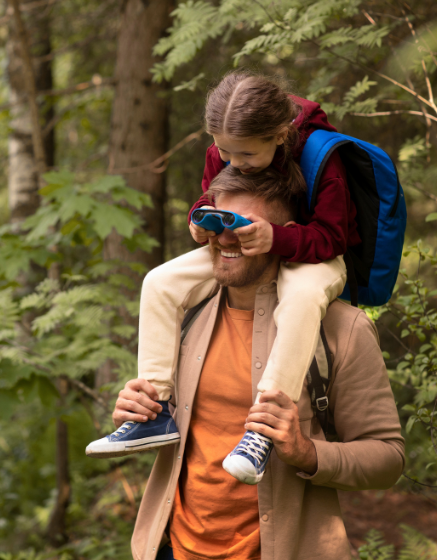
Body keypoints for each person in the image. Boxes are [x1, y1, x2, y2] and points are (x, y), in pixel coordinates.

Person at [86, 71, 359, 486]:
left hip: (309, 252)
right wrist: (201, 219)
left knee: (302, 297)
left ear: (280, 135)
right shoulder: (228, 150)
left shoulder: (321, 153)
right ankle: (155, 412)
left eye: (246, 155)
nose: (233, 163)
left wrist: (277, 237)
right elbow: (211, 192)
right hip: (243, 245)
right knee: (159, 282)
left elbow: (334, 236)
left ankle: (262, 431)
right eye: (223, 151)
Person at [122, 168, 405, 560]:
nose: (223, 239)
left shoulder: (342, 329)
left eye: (241, 227)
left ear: (283, 233)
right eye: (217, 221)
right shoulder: (185, 312)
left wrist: (307, 453)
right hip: (171, 548)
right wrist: (141, 408)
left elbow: (388, 458)